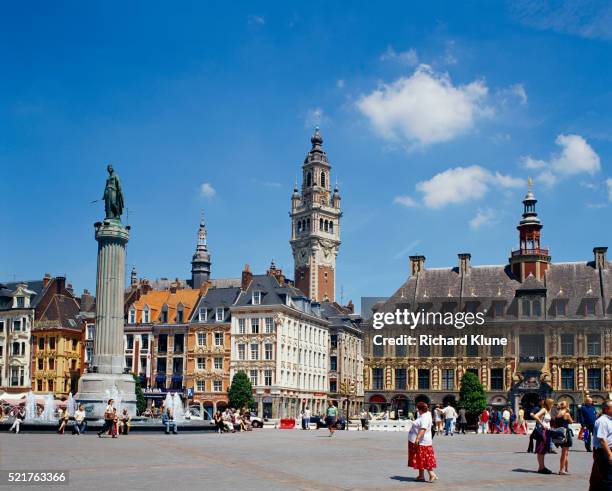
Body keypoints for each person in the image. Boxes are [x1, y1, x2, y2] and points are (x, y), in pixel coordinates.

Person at [407, 401, 438, 483]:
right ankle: (421, 476)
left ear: (419, 409)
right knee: (420, 458)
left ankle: (432, 474)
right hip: (421, 441)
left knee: (424, 458)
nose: (417, 410)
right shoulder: (425, 414)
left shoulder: (424, 417)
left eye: (417, 408)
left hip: (422, 441)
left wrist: (417, 438)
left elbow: (423, 429)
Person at [589, 400, 612, 490]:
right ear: (607, 409)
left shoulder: (609, 420)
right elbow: (602, 439)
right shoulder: (602, 421)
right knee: (608, 477)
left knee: (600, 476)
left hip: (607, 450)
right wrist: (609, 454)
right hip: (604, 451)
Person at [533, 398, 554, 474]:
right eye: (551, 403)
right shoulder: (544, 410)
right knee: (541, 449)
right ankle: (541, 468)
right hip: (542, 431)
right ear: (548, 403)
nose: (552, 405)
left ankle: (542, 467)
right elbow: (536, 416)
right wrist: (542, 425)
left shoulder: (547, 410)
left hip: (546, 431)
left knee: (543, 450)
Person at [553, 401, 573, 475]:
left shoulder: (558, 413)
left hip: (559, 433)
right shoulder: (566, 414)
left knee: (565, 453)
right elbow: (571, 422)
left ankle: (566, 469)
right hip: (566, 433)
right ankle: (561, 469)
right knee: (564, 453)